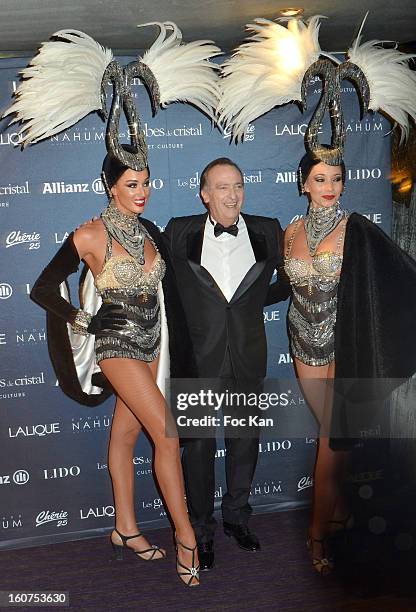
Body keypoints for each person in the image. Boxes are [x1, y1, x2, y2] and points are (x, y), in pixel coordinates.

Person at [30, 148, 200, 587]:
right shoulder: (89, 234)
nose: (142, 191)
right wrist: (85, 320)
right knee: (168, 432)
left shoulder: (148, 232)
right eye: (131, 184)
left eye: (145, 182)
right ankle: (187, 538)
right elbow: (43, 288)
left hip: (153, 342)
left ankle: (125, 528)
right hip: (116, 343)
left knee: (124, 436)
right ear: (111, 186)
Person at [284, 148, 416, 574]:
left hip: (344, 344)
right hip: (302, 341)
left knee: (330, 435)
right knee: (332, 436)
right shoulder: (291, 230)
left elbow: (398, 271)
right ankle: (337, 508)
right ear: (303, 182)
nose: (329, 188)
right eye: (320, 179)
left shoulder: (354, 229)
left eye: (336, 179)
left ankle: (316, 533)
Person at [163, 157, 290, 570]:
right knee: (196, 449)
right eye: (222, 187)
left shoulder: (268, 229)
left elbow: (283, 284)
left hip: (248, 355)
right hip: (196, 358)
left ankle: (237, 517)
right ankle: (201, 531)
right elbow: (166, 291)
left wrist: (247, 306)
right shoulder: (179, 231)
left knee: (244, 441)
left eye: (237, 185)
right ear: (204, 194)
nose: (232, 194)